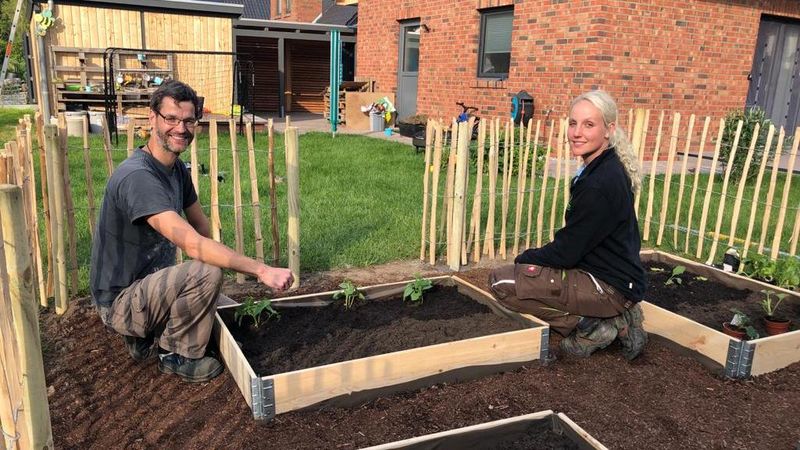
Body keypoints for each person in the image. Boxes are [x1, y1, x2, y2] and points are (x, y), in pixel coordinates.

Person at [90, 80, 293, 382]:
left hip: (146, 287)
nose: (180, 128)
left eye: (188, 120)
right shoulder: (138, 178)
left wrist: (209, 290)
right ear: (153, 118)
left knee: (215, 292)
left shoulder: (176, 171)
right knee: (205, 274)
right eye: (171, 118)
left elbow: (201, 227)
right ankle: (177, 355)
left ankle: (144, 336)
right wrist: (261, 270)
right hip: (119, 303)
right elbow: (192, 245)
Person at [489, 90, 647, 360]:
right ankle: (620, 315)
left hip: (607, 286)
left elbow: (566, 253)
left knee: (501, 281)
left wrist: (525, 259)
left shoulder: (598, 184)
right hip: (619, 279)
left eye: (589, 125)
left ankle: (595, 325)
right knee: (528, 271)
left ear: (609, 130)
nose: (577, 132)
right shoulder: (605, 167)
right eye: (573, 123)